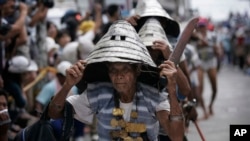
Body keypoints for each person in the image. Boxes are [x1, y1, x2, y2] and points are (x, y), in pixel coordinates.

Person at [48, 20, 184, 141]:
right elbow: (54, 113)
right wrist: (67, 86)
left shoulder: (152, 96)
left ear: (136, 70)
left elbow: (176, 137)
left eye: (125, 69)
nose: (119, 76)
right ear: (108, 71)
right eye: (113, 70)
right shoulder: (99, 93)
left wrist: (172, 91)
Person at [193, 17, 219, 116]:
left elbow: (218, 49)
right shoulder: (195, 36)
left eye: (203, 26)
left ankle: (210, 105)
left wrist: (217, 50)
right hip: (200, 63)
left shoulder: (213, 36)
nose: (202, 28)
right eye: (200, 26)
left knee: (215, 88)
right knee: (199, 89)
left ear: (206, 26)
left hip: (211, 62)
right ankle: (204, 111)